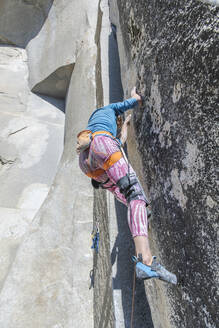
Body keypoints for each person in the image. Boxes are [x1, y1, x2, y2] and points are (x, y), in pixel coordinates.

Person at [77, 87, 177, 284]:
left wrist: (126, 127)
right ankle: (145, 261)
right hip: (101, 147)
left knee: (128, 198)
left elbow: (115, 146)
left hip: (86, 163)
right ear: (116, 117)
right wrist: (134, 97)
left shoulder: (96, 126)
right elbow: (130, 103)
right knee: (135, 196)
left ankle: (142, 214)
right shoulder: (108, 110)